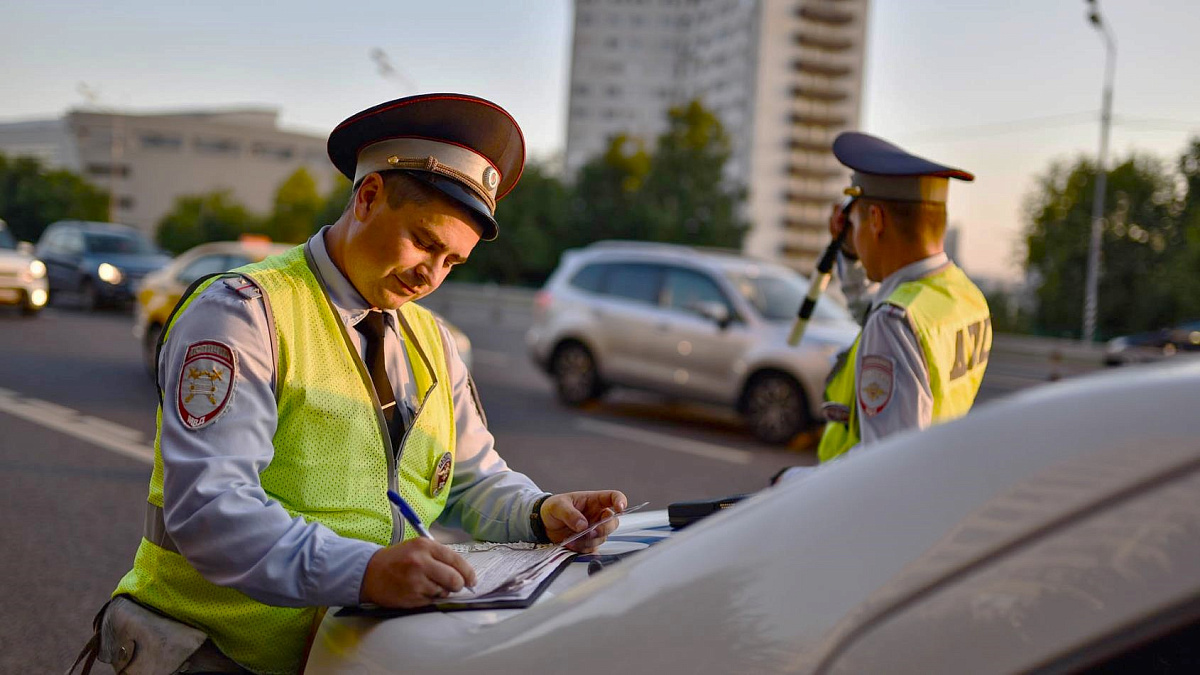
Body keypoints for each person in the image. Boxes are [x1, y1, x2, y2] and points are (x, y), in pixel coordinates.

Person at [75, 94, 628, 675]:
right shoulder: (244, 312)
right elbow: (210, 510)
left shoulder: (432, 340)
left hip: (348, 656)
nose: (431, 275)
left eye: (452, 262)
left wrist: (540, 512)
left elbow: (471, 477)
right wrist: (365, 573)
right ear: (367, 197)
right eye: (424, 242)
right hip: (212, 652)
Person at [814, 131, 992, 464]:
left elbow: (886, 462)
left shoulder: (894, 321)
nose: (851, 235)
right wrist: (852, 254)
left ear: (876, 221)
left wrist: (793, 484)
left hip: (859, 506)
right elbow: (872, 305)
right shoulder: (965, 297)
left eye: (854, 224)